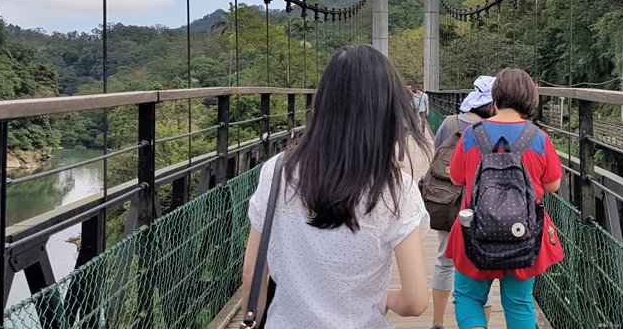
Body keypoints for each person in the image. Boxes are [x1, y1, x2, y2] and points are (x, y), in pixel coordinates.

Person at [242, 45, 431, 328]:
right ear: (389, 108)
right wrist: (386, 300)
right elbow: (416, 302)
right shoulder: (396, 189)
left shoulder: (278, 171)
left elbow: (253, 273)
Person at [446, 68, 565, 329]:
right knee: (519, 302)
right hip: (524, 232)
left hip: (474, 231)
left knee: (468, 297)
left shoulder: (471, 135)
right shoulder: (539, 137)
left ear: (494, 99)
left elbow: (456, 178)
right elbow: (553, 184)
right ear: (529, 100)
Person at [428, 75, 496, 329]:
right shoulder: (495, 130)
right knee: (482, 265)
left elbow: (437, 155)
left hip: (447, 201)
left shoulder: (449, 122)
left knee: (444, 260)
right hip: (481, 205)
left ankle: (437, 323)